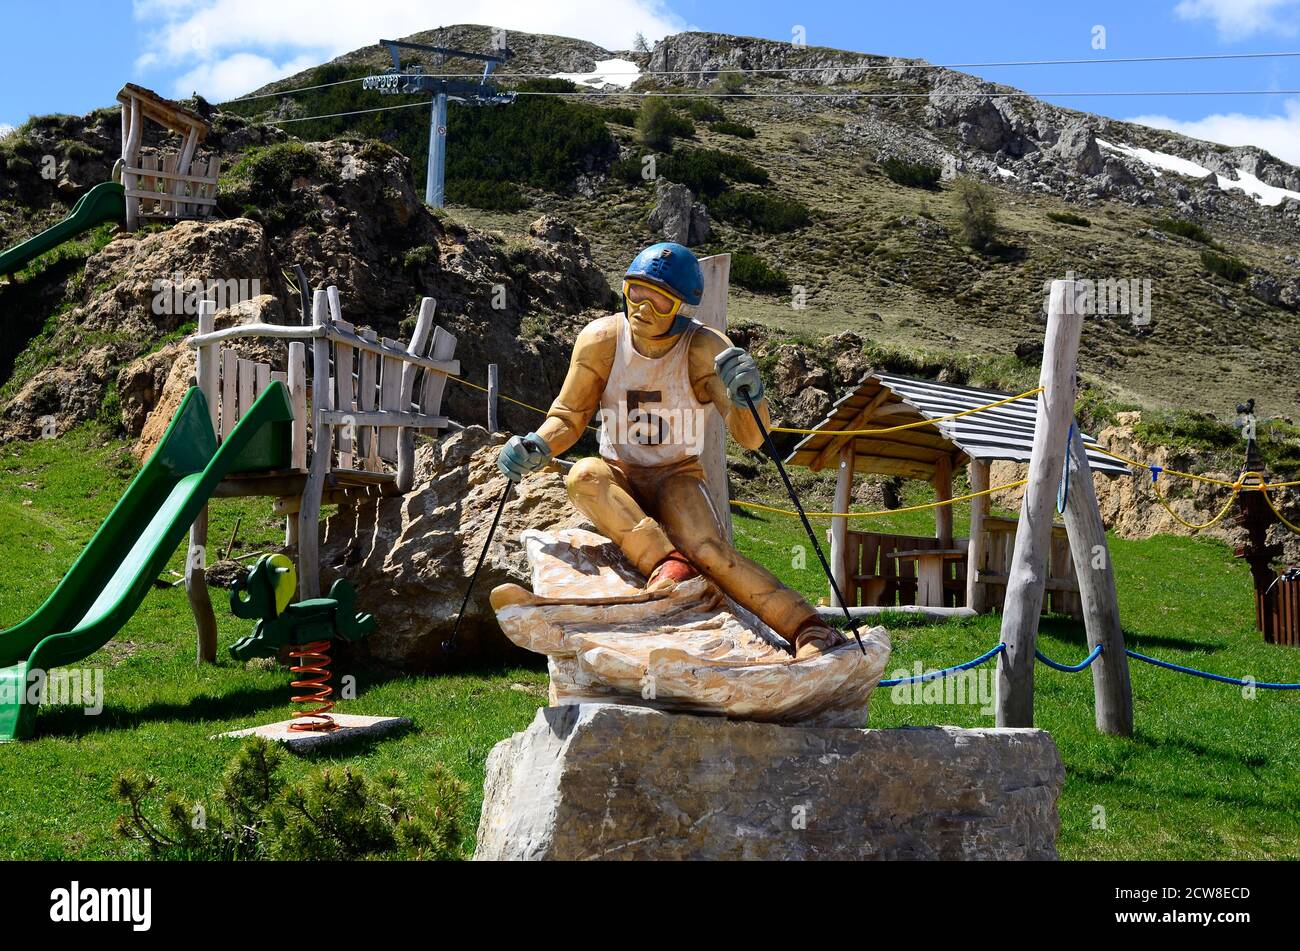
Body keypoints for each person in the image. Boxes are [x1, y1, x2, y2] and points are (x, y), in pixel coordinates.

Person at [496, 242, 845, 659]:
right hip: (618, 472)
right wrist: (537, 444)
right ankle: (670, 568)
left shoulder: (706, 349)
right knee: (582, 477)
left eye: (658, 302)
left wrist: (750, 396)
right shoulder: (601, 339)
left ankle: (808, 626)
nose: (642, 309)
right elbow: (569, 415)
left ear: (681, 308)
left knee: (709, 547)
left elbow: (751, 438)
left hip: (675, 474)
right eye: (634, 293)